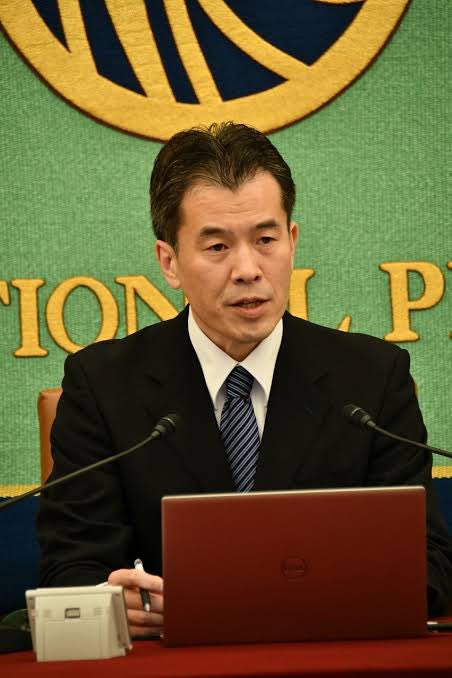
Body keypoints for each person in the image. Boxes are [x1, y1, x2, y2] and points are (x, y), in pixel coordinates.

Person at [37, 122, 452, 638]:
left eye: (265, 240)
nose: (248, 269)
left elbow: (426, 563)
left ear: (292, 242)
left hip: (325, 655)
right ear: (169, 261)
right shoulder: (102, 385)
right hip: (173, 662)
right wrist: (118, 601)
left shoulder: (372, 378)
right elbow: (71, 567)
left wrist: (286, 601)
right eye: (217, 247)